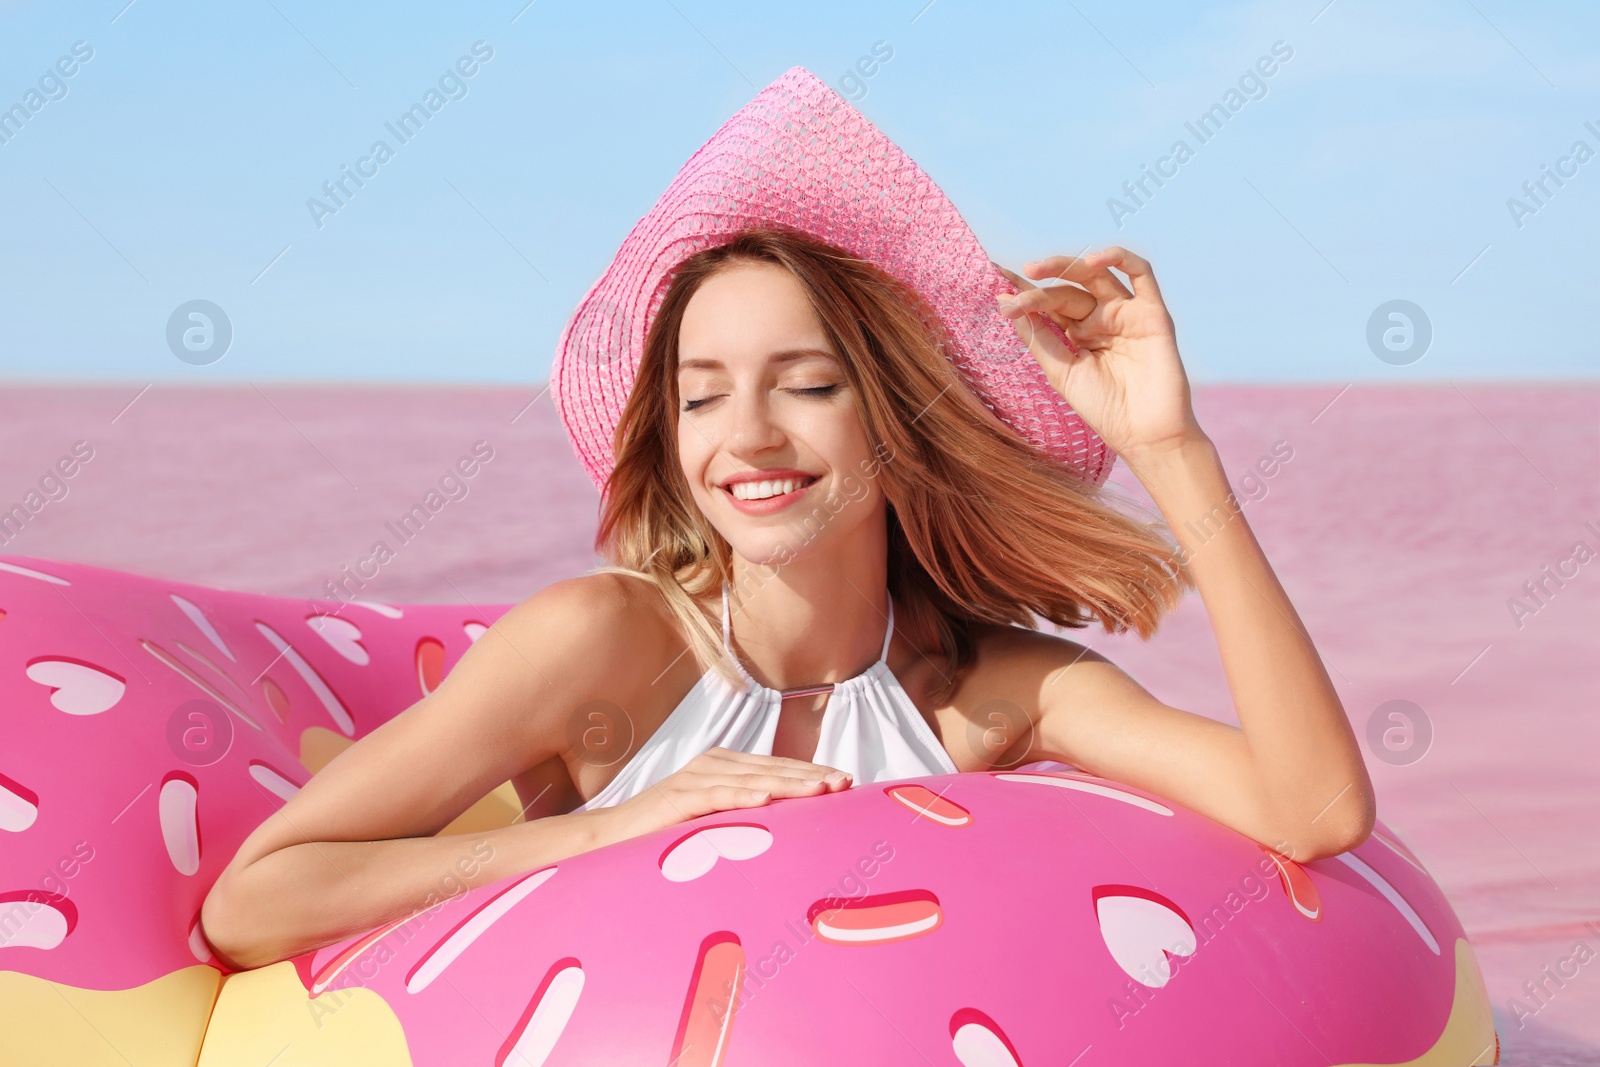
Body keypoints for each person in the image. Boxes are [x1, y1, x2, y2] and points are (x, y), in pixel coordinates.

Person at [200, 69, 1373, 974]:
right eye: (699, 394)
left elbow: (1312, 808)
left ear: (894, 420)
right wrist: (613, 830)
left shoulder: (987, 696)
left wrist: (1167, 448)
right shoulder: (601, 645)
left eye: (805, 385)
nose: (745, 434)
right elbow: (259, 897)